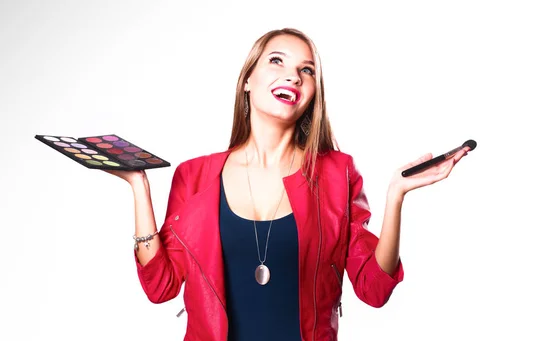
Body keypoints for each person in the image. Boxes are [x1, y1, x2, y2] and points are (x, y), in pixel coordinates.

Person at [106, 28, 470, 341]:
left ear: (313, 92)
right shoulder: (194, 176)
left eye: (306, 70)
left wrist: (396, 196)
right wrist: (139, 187)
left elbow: (374, 289)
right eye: (277, 61)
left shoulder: (336, 174)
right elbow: (161, 286)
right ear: (247, 80)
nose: (293, 77)